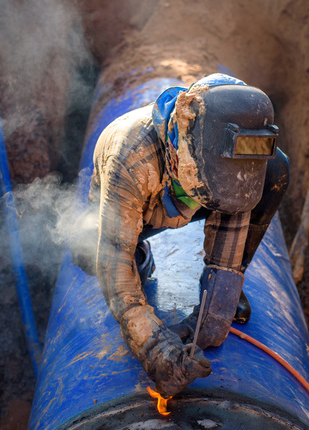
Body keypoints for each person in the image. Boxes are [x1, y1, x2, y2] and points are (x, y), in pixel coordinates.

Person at [71, 73, 289, 397]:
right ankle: (140, 257)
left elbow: (233, 217)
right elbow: (113, 262)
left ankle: (230, 285)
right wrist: (156, 350)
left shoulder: (242, 165)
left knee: (275, 173)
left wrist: (214, 312)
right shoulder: (132, 159)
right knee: (90, 249)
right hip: (140, 205)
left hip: (200, 191)